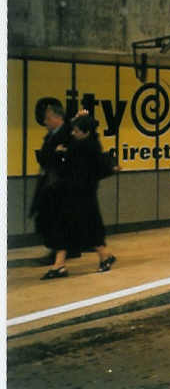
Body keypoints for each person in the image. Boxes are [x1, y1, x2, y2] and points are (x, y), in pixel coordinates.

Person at [40, 114, 117, 279]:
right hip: (77, 195)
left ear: (85, 132)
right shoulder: (85, 144)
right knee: (73, 228)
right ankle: (61, 264)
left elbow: (76, 171)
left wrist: (61, 154)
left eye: (76, 131)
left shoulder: (84, 149)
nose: (73, 133)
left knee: (83, 228)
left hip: (80, 196)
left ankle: (103, 257)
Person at [30, 98, 73, 267]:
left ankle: (59, 257)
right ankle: (58, 252)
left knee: (56, 220)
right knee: (47, 219)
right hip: (49, 183)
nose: (45, 122)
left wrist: (54, 155)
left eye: (48, 118)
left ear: (57, 117)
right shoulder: (52, 135)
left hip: (60, 185)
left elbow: (66, 160)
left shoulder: (67, 135)